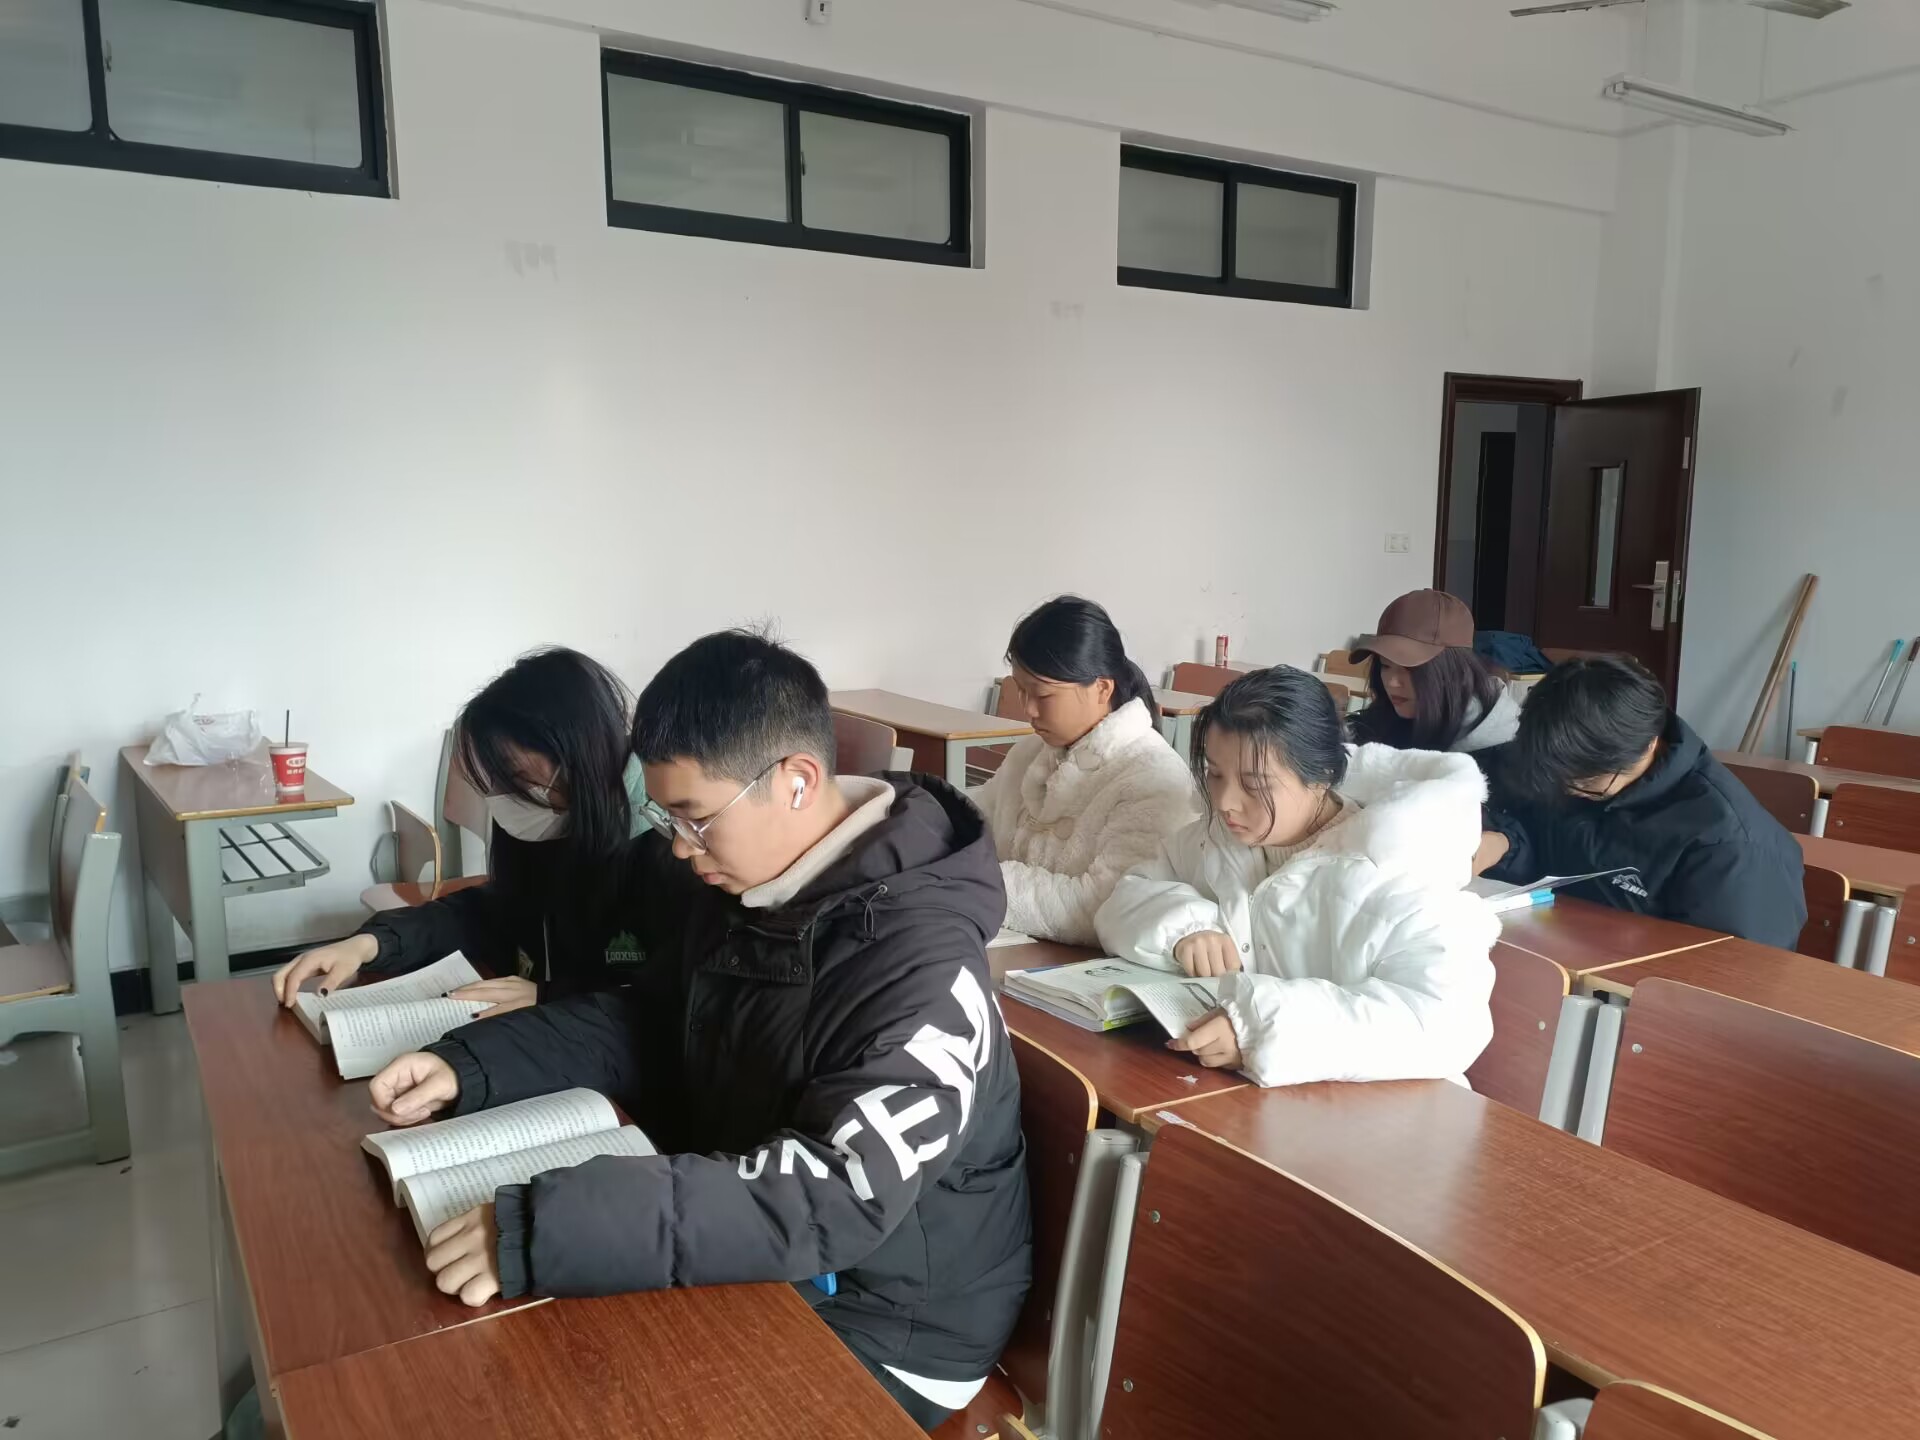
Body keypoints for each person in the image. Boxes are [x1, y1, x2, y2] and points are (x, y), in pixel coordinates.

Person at [365, 630, 1031, 1433]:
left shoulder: (920, 963)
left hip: (890, 1323)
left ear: (795, 782)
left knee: (561, 1400)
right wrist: (471, 1064)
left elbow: (826, 1195)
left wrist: (549, 1225)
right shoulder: (752, 881)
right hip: (769, 1244)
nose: (680, 848)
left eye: (694, 818)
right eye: (666, 816)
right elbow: (647, 1018)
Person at [1095, 666, 1496, 1089]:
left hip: (1385, 1112)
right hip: (1245, 1098)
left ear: (1320, 777)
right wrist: (1186, 928)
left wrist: (1259, 1028)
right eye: (1215, 774)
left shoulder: (1398, 865)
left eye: (1254, 784)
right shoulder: (1215, 840)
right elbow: (1126, 898)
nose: (1226, 801)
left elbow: (1444, 1022)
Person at [271, 647, 646, 1017]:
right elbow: (490, 913)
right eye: (495, 781)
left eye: (515, 778)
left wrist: (549, 996)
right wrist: (371, 944)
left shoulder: (660, 850)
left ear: (577, 752)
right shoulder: (549, 826)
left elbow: (652, 998)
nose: (503, 797)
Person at [1481, 654, 1807, 947]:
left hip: (1637, 986)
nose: (1566, 790)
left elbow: (1731, 973)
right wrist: (1503, 844)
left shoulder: (1729, 846)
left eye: (1585, 783)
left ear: (1649, 746)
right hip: (1556, 952)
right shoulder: (1567, 767)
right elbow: (1551, 845)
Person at [971, 597, 1201, 945]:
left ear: (1102, 689)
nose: (1028, 709)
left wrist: (975, 882)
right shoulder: (1030, 754)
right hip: (1013, 949)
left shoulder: (1153, 778)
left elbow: (1103, 906)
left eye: (1043, 696)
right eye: (1020, 691)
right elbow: (974, 825)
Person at [1348, 589, 1520, 756]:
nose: (1392, 682)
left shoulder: (1500, 752)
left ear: (1453, 669)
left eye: (1410, 669)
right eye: (1385, 666)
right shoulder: (1390, 715)